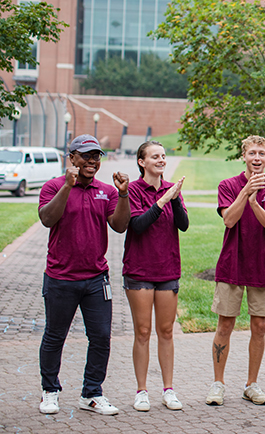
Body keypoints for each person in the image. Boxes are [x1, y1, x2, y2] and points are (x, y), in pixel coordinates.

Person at [37, 134, 130, 416]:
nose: (92, 161)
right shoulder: (53, 186)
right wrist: (68, 186)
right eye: (86, 155)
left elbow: (120, 225)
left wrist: (124, 194)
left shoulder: (107, 191)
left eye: (97, 156)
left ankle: (91, 394)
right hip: (60, 278)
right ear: (72, 157)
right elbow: (47, 219)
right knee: (55, 336)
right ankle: (50, 392)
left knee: (101, 336)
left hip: (95, 278)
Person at [206, 135, 265, 406]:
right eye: (252, 153)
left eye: (262, 153)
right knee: (225, 324)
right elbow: (229, 220)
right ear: (244, 156)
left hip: (261, 265)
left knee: (259, 326)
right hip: (231, 264)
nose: (257, 158)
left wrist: (254, 201)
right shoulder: (228, 185)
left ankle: (251, 384)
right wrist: (245, 192)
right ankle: (218, 384)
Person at [123, 141, 189, 412]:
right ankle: (141, 391)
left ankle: (168, 390)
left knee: (166, 331)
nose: (161, 160)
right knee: (142, 331)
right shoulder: (133, 191)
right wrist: (163, 200)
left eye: (163, 156)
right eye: (155, 156)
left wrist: (173, 200)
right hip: (139, 271)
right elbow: (137, 225)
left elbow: (183, 225)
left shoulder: (172, 189)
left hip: (167, 270)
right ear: (142, 162)